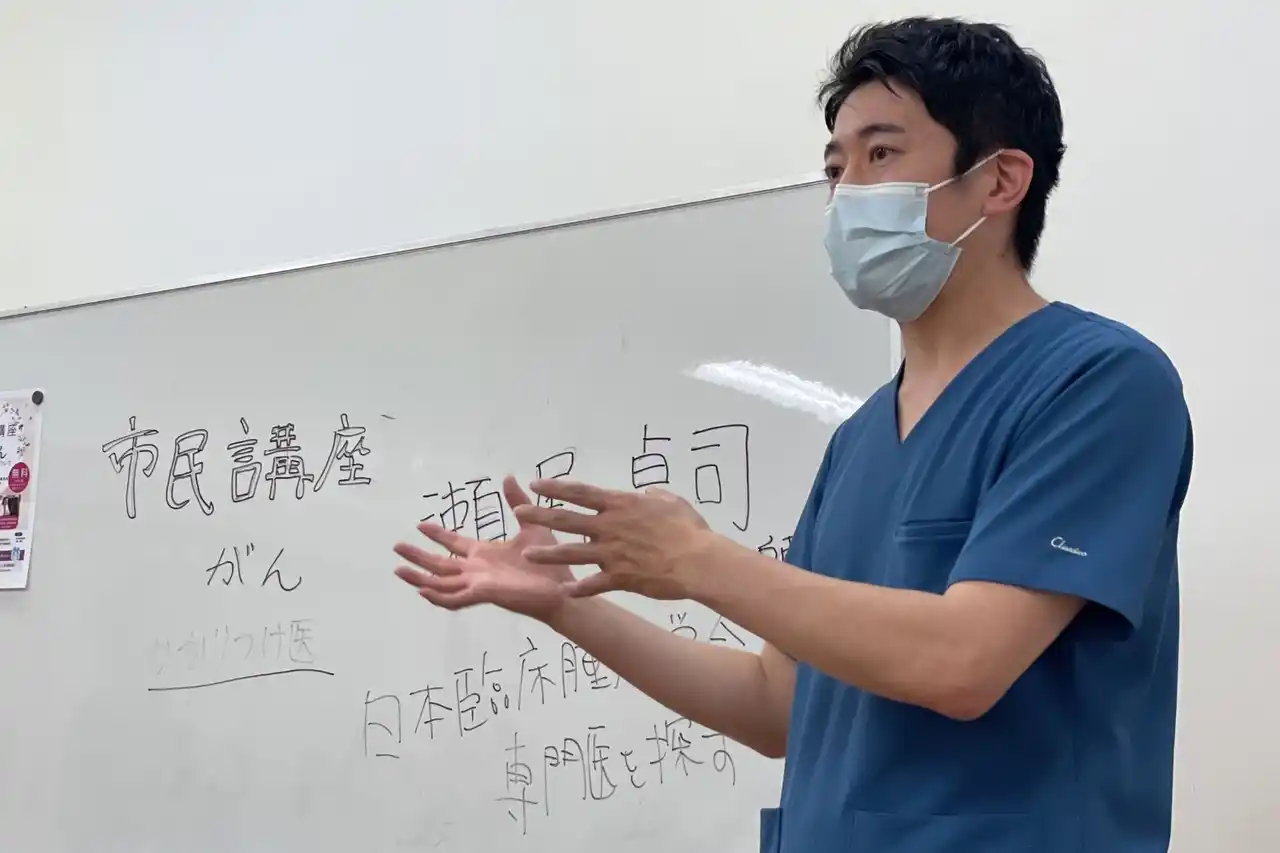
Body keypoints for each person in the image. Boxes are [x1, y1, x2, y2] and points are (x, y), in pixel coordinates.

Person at [393, 16, 1193, 853]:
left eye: (881, 155)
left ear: (1000, 180)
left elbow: (963, 662)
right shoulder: (859, 441)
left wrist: (699, 560)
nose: (847, 195)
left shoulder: (1099, 382)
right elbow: (776, 703)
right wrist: (566, 608)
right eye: (835, 168)